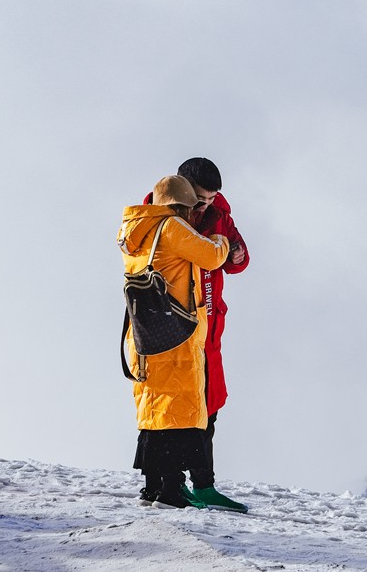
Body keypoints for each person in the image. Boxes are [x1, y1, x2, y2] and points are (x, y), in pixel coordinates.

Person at [119, 175, 231, 509]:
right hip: (174, 331)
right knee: (178, 412)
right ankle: (170, 490)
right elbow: (211, 256)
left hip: (143, 330)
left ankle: (152, 487)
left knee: (154, 408)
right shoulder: (170, 227)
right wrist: (221, 239)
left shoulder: (133, 229)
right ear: (179, 205)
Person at [174, 156, 251, 513]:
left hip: (209, 326)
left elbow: (237, 259)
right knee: (173, 406)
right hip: (172, 325)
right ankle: (168, 484)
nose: (207, 205)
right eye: (202, 199)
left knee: (209, 404)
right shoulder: (158, 210)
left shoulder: (218, 212)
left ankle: (203, 485)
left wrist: (235, 253)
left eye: (212, 198)